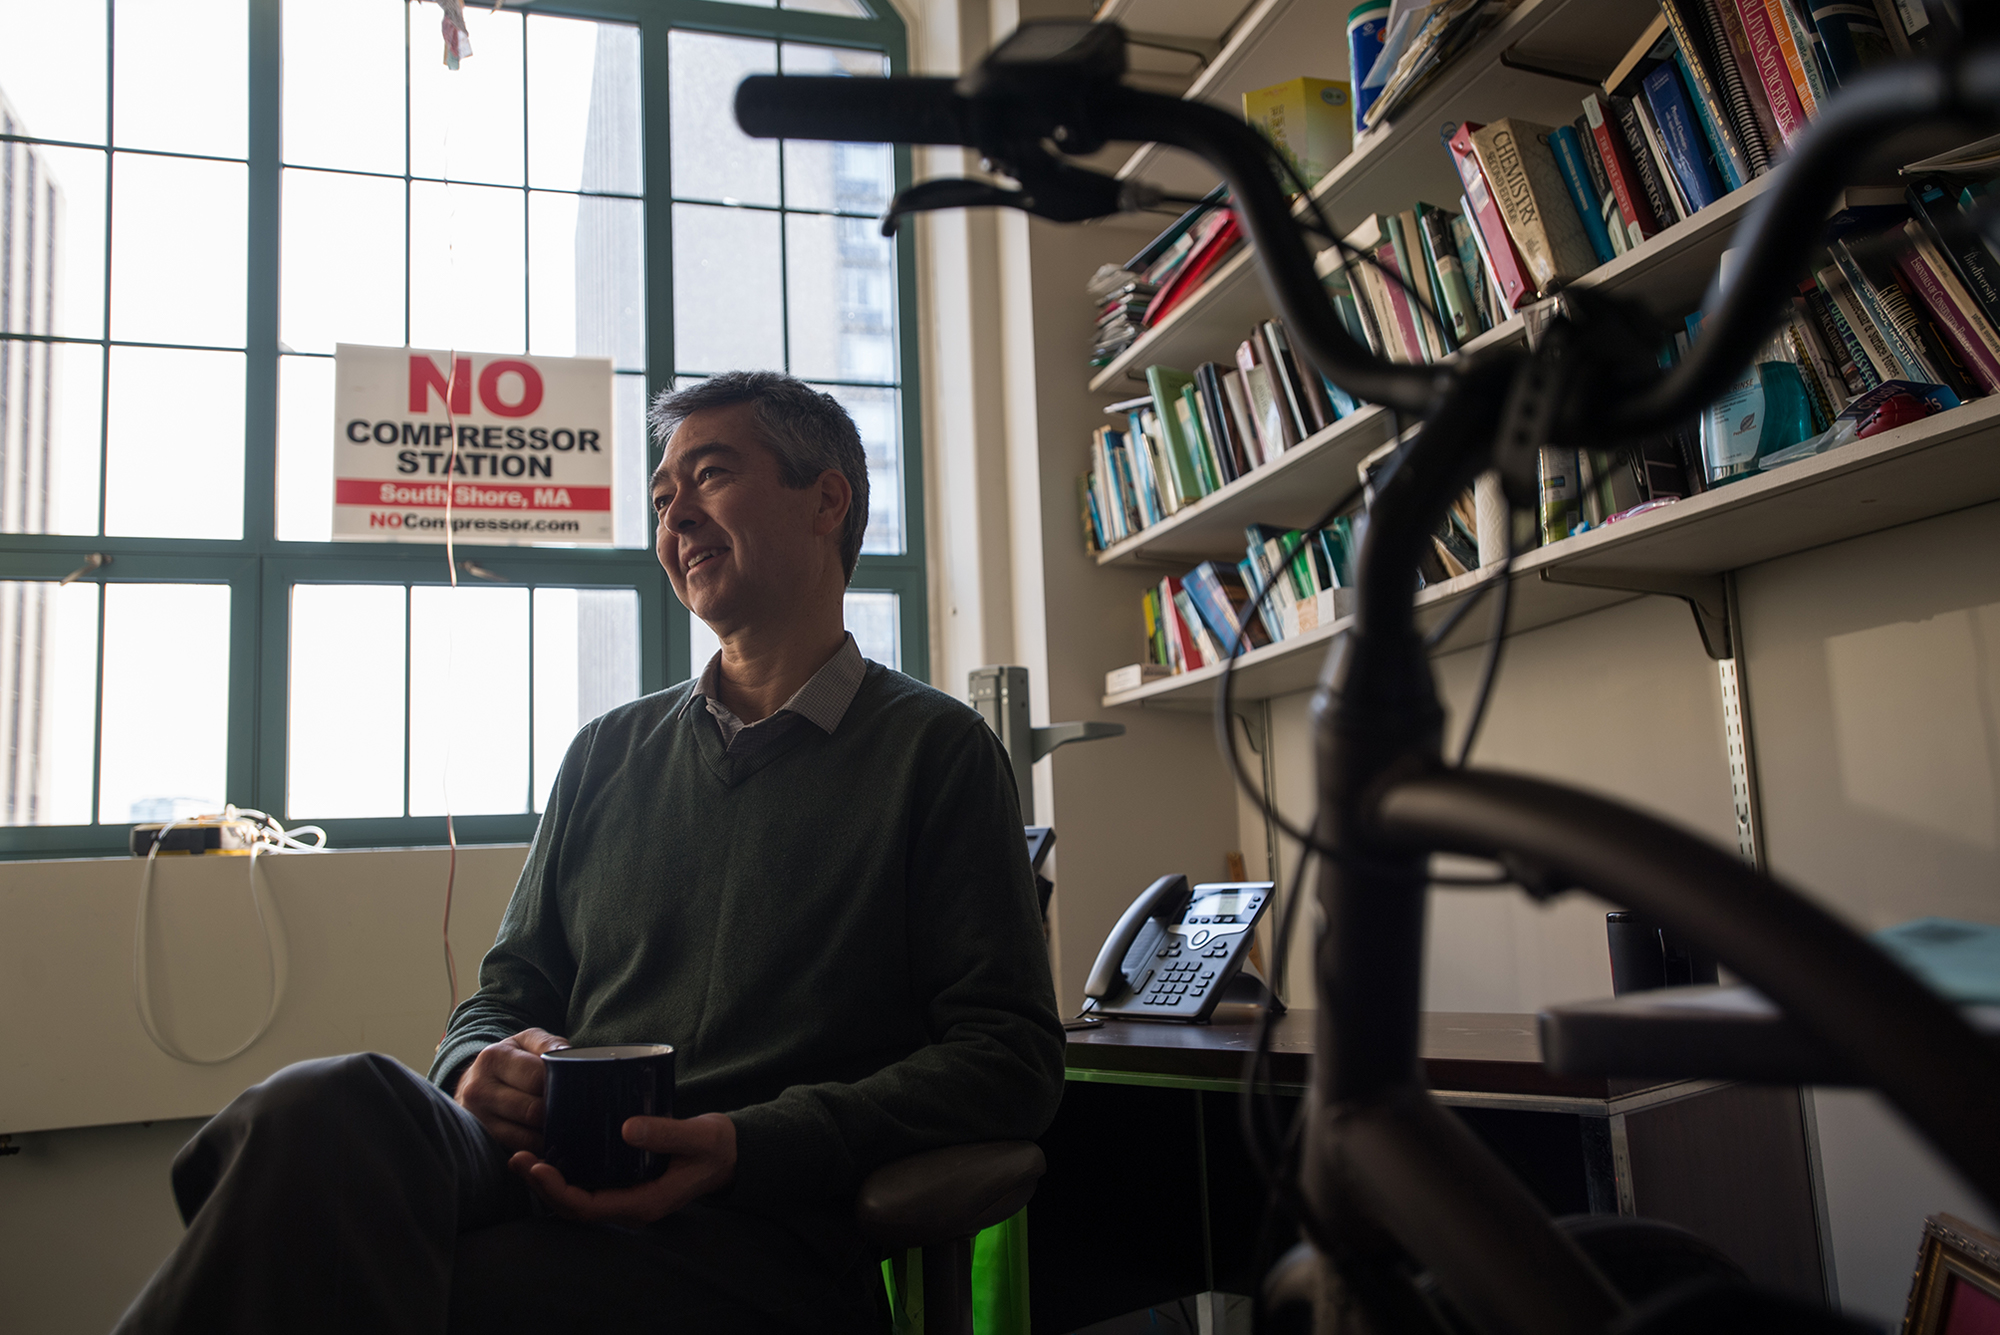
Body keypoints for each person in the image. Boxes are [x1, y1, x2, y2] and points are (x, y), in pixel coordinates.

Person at [114, 371, 1066, 1334]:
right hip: (537, 1169)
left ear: (828, 499)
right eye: (662, 498)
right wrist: (476, 1063)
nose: (677, 515)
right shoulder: (607, 751)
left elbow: (1010, 1057)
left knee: (336, 1271)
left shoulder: (936, 753)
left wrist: (744, 1143)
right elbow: (505, 990)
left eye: (711, 475)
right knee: (327, 1103)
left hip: (746, 1226)